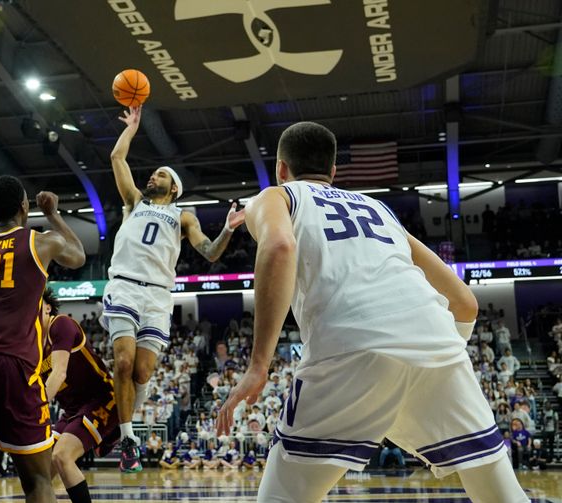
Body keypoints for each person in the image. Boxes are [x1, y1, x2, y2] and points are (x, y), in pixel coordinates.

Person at [217, 122, 527, 502]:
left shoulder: (276, 196)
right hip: (440, 348)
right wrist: (430, 356)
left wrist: (258, 366)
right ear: (333, 172)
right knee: (501, 496)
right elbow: (465, 303)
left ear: (281, 169)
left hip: (350, 347)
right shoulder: (379, 209)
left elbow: (279, 246)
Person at [105, 106, 245, 472]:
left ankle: (125, 413)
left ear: (175, 187)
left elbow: (210, 253)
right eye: (153, 173)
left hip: (157, 296)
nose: (153, 176)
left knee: (142, 373)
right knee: (122, 361)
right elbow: (117, 157)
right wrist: (132, 129)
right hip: (124, 286)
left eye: (161, 174)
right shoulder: (134, 202)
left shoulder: (183, 217)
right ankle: (128, 437)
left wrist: (228, 229)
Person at [0, 175, 85, 503]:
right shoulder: (40, 241)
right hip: (13, 363)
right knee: (38, 480)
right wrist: (53, 214)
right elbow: (79, 256)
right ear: (24, 206)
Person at [39, 288, 119, 503]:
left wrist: (34, 407)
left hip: (102, 398)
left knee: (62, 455)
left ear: (47, 307)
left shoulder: (60, 324)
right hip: (72, 411)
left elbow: (59, 372)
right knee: (39, 475)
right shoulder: (31, 345)